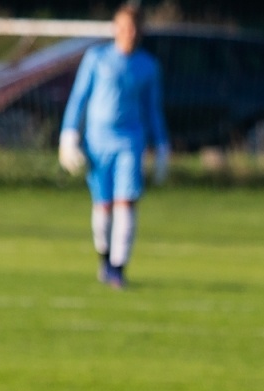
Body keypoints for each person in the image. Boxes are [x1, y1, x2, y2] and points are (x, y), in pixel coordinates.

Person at [59, 3, 168, 290]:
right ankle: (105, 260)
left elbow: (152, 109)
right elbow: (79, 98)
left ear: (140, 31)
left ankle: (119, 268)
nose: (128, 33)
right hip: (97, 141)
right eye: (123, 27)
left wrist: (161, 145)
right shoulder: (97, 58)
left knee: (126, 203)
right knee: (103, 205)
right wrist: (69, 135)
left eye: (133, 28)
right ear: (114, 28)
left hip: (130, 140)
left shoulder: (148, 66)